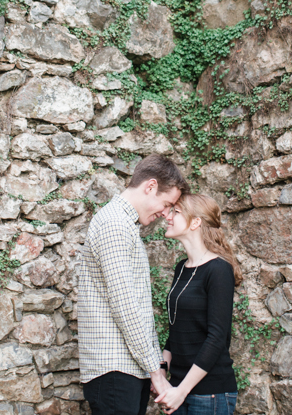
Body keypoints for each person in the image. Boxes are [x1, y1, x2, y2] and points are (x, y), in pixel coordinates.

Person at [77, 154, 189, 415]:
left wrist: (152, 367)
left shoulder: (124, 225)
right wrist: (155, 370)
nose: (165, 213)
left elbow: (136, 305)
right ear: (150, 187)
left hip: (126, 368)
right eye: (166, 203)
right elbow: (126, 307)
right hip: (115, 371)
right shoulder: (115, 225)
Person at [155, 193, 242, 415]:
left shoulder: (219, 270)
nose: (168, 216)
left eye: (176, 212)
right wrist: (162, 372)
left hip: (210, 393)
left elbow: (216, 338)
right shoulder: (181, 268)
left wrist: (181, 391)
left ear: (196, 222)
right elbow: (177, 330)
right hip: (179, 388)